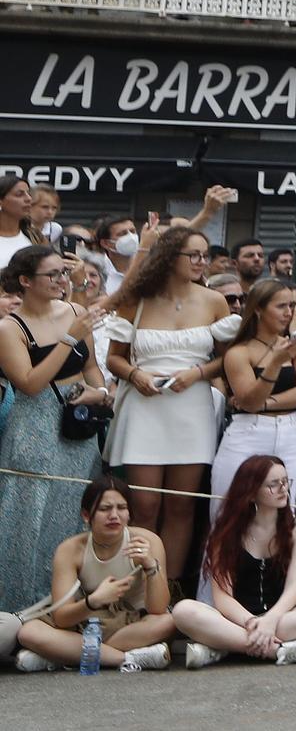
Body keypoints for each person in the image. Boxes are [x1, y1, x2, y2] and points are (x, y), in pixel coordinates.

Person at [101, 225, 238, 584]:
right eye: (193, 255)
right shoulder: (137, 298)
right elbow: (114, 358)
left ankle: (170, 585)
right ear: (168, 257)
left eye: (204, 255)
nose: (201, 262)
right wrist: (134, 375)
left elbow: (229, 359)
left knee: (181, 504)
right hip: (144, 404)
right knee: (145, 505)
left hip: (191, 405)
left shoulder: (214, 300)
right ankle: (136, 584)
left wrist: (198, 373)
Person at [0, 247, 111, 612]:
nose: (62, 282)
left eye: (64, 274)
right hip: (34, 426)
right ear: (26, 281)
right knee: (28, 521)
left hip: (78, 427)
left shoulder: (76, 312)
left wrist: (100, 391)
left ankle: (74, 606)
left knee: (73, 513)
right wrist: (68, 338)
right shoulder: (9, 327)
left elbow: (92, 367)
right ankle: (21, 609)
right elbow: (29, 383)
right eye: (53, 275)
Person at [171, 458, 296, 667]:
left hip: (280, 617)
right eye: (273, 484)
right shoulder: (226, 531)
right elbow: (223, 597)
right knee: (183, 611)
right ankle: (278, 651)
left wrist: (270, 620)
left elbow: (295, 586)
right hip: (237, 620)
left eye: (285, 481)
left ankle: (224, 647)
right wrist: (253, 624)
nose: (283, 489)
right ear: (251, 492)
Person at [12, 475, 172, 673]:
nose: (114, 515)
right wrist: (94, 601)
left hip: (131, 623)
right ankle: (126, 658)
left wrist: (150, 565)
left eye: (122, 508)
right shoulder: (70, 549)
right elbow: (61, 617)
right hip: (88, 620)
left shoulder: (147, 541)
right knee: (29, 633)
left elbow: (158, 608)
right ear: (87, 516)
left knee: (168, 622)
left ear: (129, 513)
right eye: (105, 509)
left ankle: (66, 654)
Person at [212, 279, 296, 507]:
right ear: (258, 309)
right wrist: (275, 364)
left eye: (291, 306)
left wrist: (265, 403)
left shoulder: (295, 347)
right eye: (281, 306)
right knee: (229, 508)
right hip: (248, 432)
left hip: (290, 430)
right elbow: (249, 401)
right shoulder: (239, 352)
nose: (289, 313)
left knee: (284, 507)